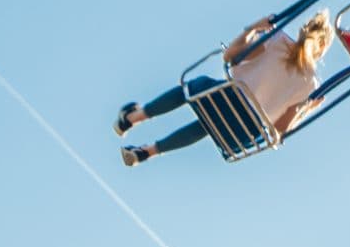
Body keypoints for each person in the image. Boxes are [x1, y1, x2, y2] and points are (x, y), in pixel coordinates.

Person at [115, 11, 334, 165]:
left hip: (226, 98)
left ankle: (134, 117)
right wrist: (306, 110)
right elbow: (281, 127)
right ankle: (147, 152)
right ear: (322, 48)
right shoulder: (310, 84)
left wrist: (252, 29)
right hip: (243, 132)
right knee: (210, 125)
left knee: (193, 91)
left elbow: (231, 56)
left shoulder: (277, 40)